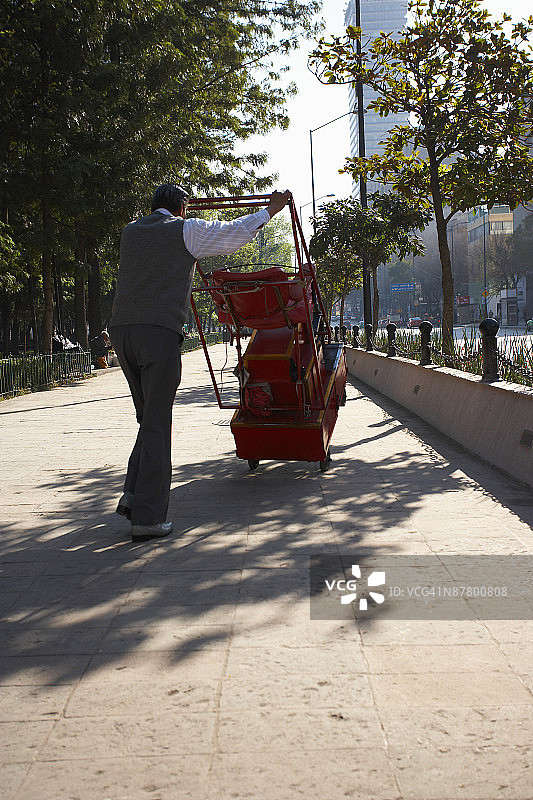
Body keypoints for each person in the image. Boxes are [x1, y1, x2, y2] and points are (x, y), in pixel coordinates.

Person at [109, 183, 290, 542]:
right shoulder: (184, 229)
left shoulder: (131, 232)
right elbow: (230, 234)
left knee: (148, 419)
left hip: (121, 332)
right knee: (159, 423)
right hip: (158, 331)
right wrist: (270, 211)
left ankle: (134, 495)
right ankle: (147, 518)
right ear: (182, 207)